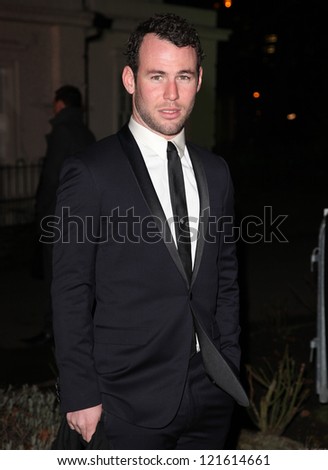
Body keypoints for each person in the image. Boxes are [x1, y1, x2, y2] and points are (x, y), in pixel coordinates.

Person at [51, 13, 248, 450]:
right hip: (125, 400)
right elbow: (70, 289)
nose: (172, 94)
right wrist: (81, 392)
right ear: (130, 79)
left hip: (210, 393)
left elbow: (227, 279)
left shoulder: (217, 173)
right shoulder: (90, 172)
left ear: (199, 80)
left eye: (183, 76)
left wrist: (228, 363)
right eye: (156, 76)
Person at [27, 85, 96, 346]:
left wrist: (40, 212)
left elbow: (51, 177)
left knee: (54, 278)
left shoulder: (62, 132)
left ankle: (52, 331)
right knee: (75, 278)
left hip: (57, 218)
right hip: (79, 218)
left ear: (61, 104)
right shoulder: (86, 133)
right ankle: (73, 330)